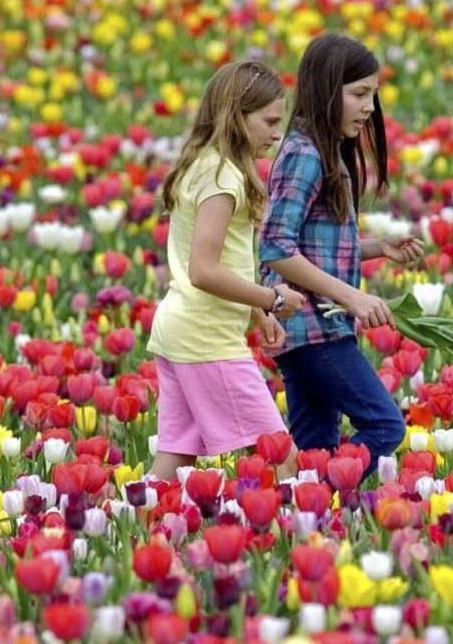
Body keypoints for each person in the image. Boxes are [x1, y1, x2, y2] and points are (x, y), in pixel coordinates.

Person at [259, 34, 424, 479]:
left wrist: (376, 249)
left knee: (313, 449)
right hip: (315, 329)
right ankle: (329, 491)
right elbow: (275, 247)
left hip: (311, 331)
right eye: (359, 94)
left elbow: (309, 245)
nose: (370, 106)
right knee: (385, 425)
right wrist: (352, 298)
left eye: (373, 94)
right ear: (327, 89)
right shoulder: (305, 154)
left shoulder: (325, 151)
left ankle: (307, 520)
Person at [147, 61, 305, 483]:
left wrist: (258, 314)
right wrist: (270, 298)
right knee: (282, 458)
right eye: (269, 121)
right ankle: (300, 541)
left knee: (175, 459)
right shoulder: (223, 177)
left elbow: (220, 263)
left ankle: (120, 528)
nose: (277, 133)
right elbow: (203, 270)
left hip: (180, 329)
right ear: (236, 115)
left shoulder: (204, 164)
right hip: (205, 337)